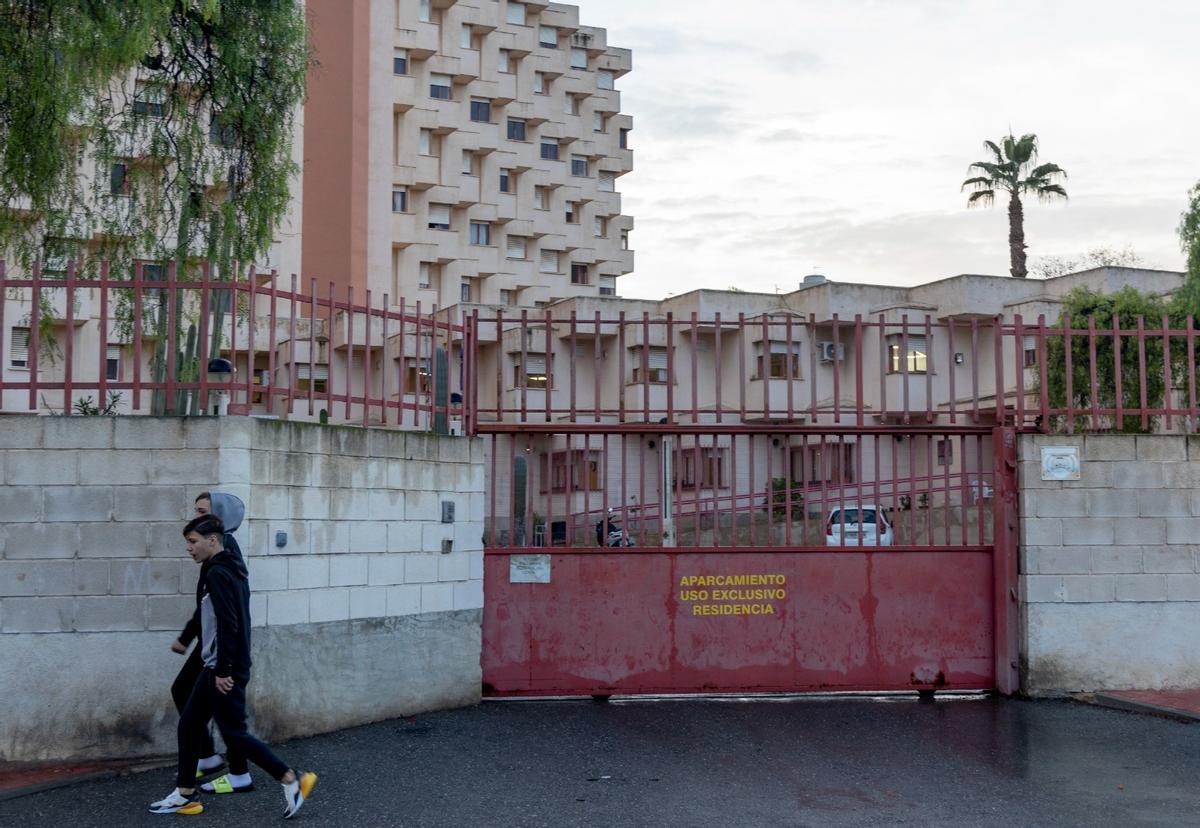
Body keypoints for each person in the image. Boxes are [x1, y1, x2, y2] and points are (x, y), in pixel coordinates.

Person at [149, 514, 318, 817]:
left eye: (192, 542)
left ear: (212, 540)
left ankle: (292, 779)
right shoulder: (228, 567)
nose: (188, 548)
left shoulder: (217, 573)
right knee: (189, 726)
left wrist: (224, 670)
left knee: (235, 734)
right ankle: (185, 793)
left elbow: (229, 623)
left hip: (221, 668)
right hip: (217, 664)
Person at [169, 493, 251, 793]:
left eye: (203, 512)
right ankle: (208, 759)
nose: (197, 517)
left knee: (226, 711)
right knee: (190, 697)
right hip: (212, 645)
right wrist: (187, 637)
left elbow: (225, 613)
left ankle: (246, 773)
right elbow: (207, 605)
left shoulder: (221, 553)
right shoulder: (217, 551)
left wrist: (225, 665)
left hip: (219, 648)